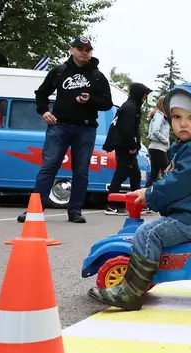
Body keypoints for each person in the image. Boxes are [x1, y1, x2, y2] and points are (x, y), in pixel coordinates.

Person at [87, 80, 191, 310]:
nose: (183, 124)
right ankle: (140, 279)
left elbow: (178, 183)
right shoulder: (190, 145)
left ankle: (130, 293)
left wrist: (150, 193)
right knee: (153, 229)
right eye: (177, 117)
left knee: (148, 233)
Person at [19, 36, 113, 223]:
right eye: (80, 48)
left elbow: (107, 103)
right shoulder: (60, 71)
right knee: (49, 166)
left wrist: (90, 100)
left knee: (81, 170)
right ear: (72, 50)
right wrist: (44, 111)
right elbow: (41, 93)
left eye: (88, 50)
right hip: (58, 126)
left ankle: (75, 211)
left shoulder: (97, 76)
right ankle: (35, 209)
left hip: (85, 128)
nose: (84, 52)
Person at [104, 82, 152, 215]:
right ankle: (111, 205)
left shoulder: (132, 106)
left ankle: (138, 203)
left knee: (135, 175)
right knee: (120, 175)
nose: (144, 98)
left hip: (127, 146)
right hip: (125, 147)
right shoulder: (130, 108)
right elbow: (127, 129)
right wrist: (132, 146)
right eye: (144, 95)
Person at [146, 96, 171, 188]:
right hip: (158, 148)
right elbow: (155, 131)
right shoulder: (159, 115)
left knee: (153, 174)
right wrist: (166, 141)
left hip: (156, 148)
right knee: (167, 171)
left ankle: (144, 196)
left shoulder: (160, 116)